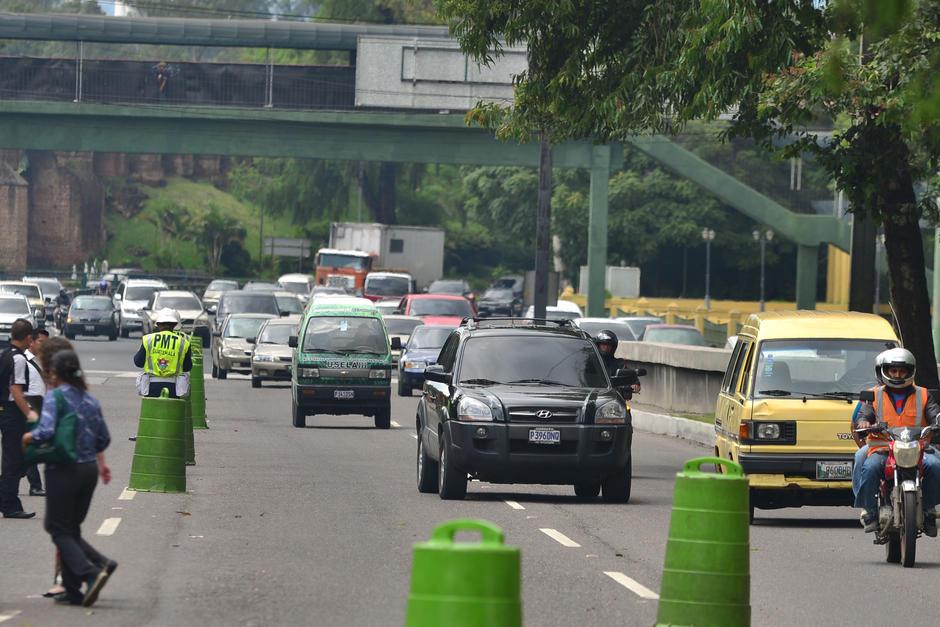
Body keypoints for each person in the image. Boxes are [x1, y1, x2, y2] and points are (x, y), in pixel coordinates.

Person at [22, 350, 116, 607]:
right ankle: (73, 590)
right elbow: (104, 439)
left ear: (55, 373)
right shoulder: (90, 400)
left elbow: (46, 430)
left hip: (63, 470)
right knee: (71, 528)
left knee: (57, 528)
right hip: (88, 471)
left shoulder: (56, 396)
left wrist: (28, 437)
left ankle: (91, 572)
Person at [853, 348, 940, 535]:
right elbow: (864, 414)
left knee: (935, 465)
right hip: (883, 448)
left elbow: (934, 413)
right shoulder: (873, 395)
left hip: (919, 448)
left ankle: (929, 510)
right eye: (894, 371)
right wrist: (864, 422)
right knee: (869, 468)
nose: (898, 375)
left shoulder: (924, 394)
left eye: (902, 371)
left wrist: (937, 421)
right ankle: (870, 513)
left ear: (910, 372)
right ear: (885, 371)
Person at [0, 318, 37, 519]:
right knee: (15, 459)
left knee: (16, 458)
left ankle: (5, 496)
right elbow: (15, 390)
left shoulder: (4, 354)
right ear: (28, 338)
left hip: (5, 411)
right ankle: (10, 505)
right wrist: (29, 414)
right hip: (13, 412)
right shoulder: (19, 359)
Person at [133, 308, 192, 398]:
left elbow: (138, 362)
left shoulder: (148, 339)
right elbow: (187, 366)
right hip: (174, 388)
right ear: (174, 325)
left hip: (152, 386)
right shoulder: (183, 342)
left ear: (158, 324)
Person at [22, 328, 49, 497]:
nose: (44, 346)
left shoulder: (42, 361)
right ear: (31, 341)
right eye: (41, 342)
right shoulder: (23, 361)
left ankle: (14, 477)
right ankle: (35, 485)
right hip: (27, 410)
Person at [593, 330, 641, 396]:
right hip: (594, 395)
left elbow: (629, 374)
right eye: (603, 344)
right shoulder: (590, 363)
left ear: (613, 347)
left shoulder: (619, 363)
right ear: (598, 345)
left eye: (609, 345)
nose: (606, 347)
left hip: (614, 397)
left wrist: (635, 383)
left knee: (624, 406)